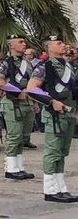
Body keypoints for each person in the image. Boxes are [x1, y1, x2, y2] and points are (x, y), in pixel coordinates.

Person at [28, 37, 76, 203]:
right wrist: (51, 101)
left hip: (69, 114)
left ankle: (61, 187)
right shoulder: (45, 66)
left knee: (62, 152)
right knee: (53, 151)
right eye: (59, 43)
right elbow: (31, 88)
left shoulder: (68, 65)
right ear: (49, 48)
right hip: (54, 115)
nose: (63, 45)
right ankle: (50, 189)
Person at [0, 37, 38, 181]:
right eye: (20, 42)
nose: (24, 44)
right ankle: (11, 168)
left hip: (28, 102)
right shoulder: (6, 62)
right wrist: (17, 92)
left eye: (24, 42)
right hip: (12, 103)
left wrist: (35, 100)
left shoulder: (27, 62)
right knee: (13, 136)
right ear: (11, 45)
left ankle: (19, 166)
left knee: (22, 137)